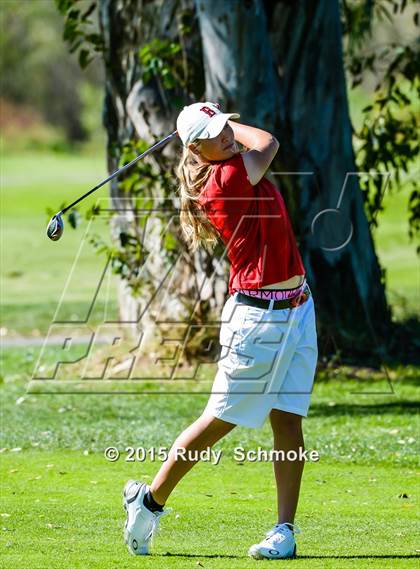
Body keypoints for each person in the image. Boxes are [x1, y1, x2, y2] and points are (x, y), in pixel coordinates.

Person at [123, 101, 318, 560]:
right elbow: (267, 141)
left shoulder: (232, 165)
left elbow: (253, 146)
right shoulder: (226, 179)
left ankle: (283, 530)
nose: (227, 133)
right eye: (216, 130)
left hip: (298, 308)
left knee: (288, 420)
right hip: (258, 319)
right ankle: (149, 502)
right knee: (221, 420)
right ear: (195, 147)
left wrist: (215, 124)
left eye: (226, 124)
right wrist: (230, 124)